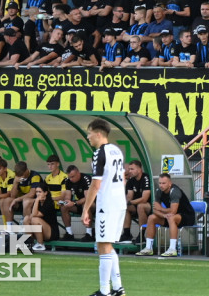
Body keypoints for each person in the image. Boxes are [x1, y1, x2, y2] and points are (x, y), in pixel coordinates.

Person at [83, 118, 127, 296]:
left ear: (98, 134)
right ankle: (117, 288)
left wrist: (86, 208)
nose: (88, 137)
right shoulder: (117, 150)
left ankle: (104, 291)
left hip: (107, 205)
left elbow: (96, 185)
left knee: (102, 245)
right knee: (108, 245)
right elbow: (123, 178)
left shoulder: (100, 153)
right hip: (119, 203)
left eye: (89, 133)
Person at [136, 173, 196, 257]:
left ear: (169, 183)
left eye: (163, 183)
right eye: (160, 183)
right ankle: (148, 248)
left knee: (172, 218)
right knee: (151, 217)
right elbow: (154, 210)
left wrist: (161, 209)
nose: (161, 185)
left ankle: (172, 249)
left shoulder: (174, 191)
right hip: (169, 216)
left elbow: (173, 211)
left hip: (187, 216)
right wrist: (163, 215)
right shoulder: (158, 191)